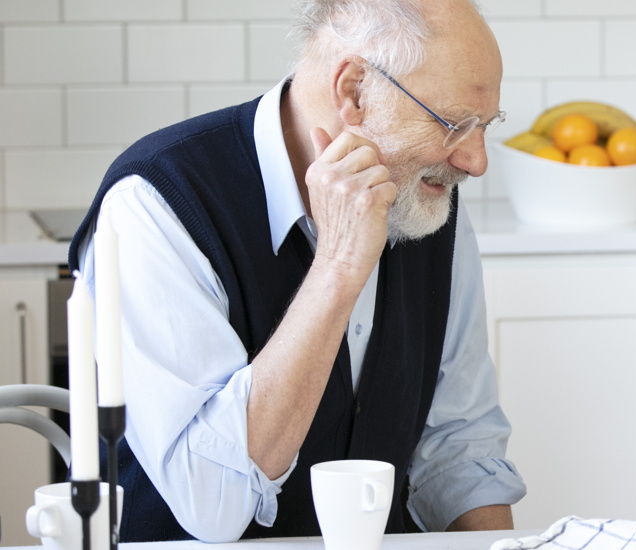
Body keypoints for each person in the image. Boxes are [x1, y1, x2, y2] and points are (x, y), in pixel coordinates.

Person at [67, 0, 525, 542]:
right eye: (454, 124)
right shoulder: (156, 203)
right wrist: (336, 270)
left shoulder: (429, 203)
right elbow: (211, 505)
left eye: (484, 126)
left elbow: (458, 447)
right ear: (353, 90)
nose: (476, 160)